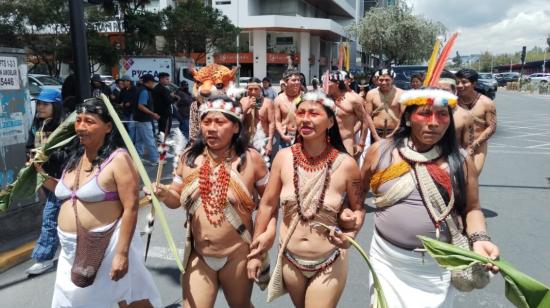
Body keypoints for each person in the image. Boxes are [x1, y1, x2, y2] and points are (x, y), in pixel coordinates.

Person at [361, 88, 499, 307]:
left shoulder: (461, 162)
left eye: (442, 115)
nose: (434, 122)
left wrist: (480, 238)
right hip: (387, 261)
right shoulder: (380, 152)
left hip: (438, 268)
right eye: (425, 113)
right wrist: (349, 222)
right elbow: (358, 197)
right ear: (407, 117)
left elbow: (472, 209)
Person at [151, 95, 270, 308]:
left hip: (238, 254)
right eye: (206, 122)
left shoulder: (251, 159)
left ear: (235, 127)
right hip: (199, 254)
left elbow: (269, 205)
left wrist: (260, 248)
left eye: (220, 122)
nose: (211, 128)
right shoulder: (189, 157)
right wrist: (163, 193)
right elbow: (176, 198)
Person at [249, 91, 365, 307]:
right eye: (301, 112)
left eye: (314, 113)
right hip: (290, 260)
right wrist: (256, 253)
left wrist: (352, 230)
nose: (305, 118)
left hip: (329, 261)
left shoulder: (346, 164)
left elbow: (359, 208)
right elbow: (267, 205)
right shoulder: (283, 158)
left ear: (330, 121)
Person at [52, 97, 161, 307]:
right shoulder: (74, 158)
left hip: (108, 245)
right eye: (79, 120)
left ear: (108, 127)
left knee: (129, 299)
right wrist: (36, 175)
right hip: (70, 250)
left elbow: (131, 207)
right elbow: (69, 195)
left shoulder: (119, 159)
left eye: (89, 121)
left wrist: (121, 254)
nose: (81, 126)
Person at [25, 89, 66, 275]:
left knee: (50, 217)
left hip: (60, 179)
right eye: (39, 103)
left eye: (45, 104)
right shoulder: (37, 125)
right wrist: (32, 160)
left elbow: (68, 155)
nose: (40, 107)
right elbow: (29, 145)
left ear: (55, 106)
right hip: (45, 178)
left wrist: (45, 157)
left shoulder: (64, 128)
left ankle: (44, 257)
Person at [456, 69, 496, 176]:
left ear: (474, 83)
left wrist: (474, 145)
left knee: (471, 178)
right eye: (457, 82)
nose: (459, 85)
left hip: (478, 146)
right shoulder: (452, 101)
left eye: (464, 82)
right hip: (455, 146)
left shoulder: (487, 103)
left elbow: (492, 127)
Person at [326, 71, 369, 158]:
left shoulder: (353, 99)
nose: (324, 86)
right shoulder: (323, 99)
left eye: (328, 82)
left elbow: (364, 121)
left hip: (346, 142)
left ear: (337, 83)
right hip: (326, 144)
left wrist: (361, 144)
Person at [240, 77, 276, 166]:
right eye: (250, 89)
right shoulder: (243, 101)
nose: (253, 92)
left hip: (263, 141)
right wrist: (246, 107)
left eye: (256, 89)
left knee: (264, 167)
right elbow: (238, 120)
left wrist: (270, 142)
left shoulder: (268, 102)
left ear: (260, 89)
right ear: (246, 90)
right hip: (248, 141)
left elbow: (272, 122)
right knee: (248, 166)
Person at [365, 68, 404, 144]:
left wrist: (394, 134)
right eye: (381, 80)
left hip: (395, 132)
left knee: (394, 155)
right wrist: (375, 135)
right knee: (376, 155)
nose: (383, 82)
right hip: (377, 132)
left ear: (392, 80)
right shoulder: (371, 94)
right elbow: (368, 116)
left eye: (387, 80)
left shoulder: (401, 94)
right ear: (377, 80)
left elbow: (402, 116)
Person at [438, 70, 474, 150]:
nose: (440, 94)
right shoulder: (422, 112)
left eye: (445, 90)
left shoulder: (465, 116)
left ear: (454, 91)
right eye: (436, 90)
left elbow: (468, 148)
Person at [134, 74, 160, 164]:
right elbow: (141, 106)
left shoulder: (139, 89)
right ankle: (154, 159)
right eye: (153, 82)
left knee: (139, 141)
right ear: (149, 82)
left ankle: (138, 158)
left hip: (138, 119)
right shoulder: (144, 91)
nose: (153, 84)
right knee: (150, 140)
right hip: (144, 120)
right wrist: (153, 114)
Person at [274, 68, 303, 148]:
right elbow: (277, 121)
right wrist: (282, 135)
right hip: (284, 139)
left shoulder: (304, 97)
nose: (297, 82)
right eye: (294, 80)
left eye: (298, 80)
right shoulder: (279, 99)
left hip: (302, 137)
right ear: (286, 82)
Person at [118, 75, 138, 141]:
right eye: (123, 81)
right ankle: (128, 141)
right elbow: (119, 99)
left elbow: (136, 99)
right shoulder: (123, 90)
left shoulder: (134, 89)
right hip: (125, 111)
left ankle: (130, 142)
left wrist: (130, 103)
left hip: (133, 111)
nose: (123, 83)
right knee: (126, 126)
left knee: (131, 127)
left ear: (129, 81)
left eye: (125, 81)